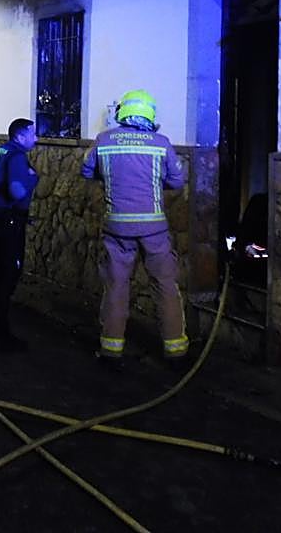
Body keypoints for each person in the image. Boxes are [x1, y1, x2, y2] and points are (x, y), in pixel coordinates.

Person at [81, 90, 188, 368]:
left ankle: (111, 349)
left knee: (116, 285)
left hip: (117, 227)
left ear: (122, 113)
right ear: (150, 114)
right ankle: (175, 349)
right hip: (154, 229)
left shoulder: (104, 140)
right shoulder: (161, 143)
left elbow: (86, 171)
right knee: (165, 284)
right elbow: (177, 181)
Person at [0, 118, 39, 351]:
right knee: (7, 277)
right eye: (33, 134)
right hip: (9, 222)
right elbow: (17, 191)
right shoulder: (16, 157)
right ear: (21, 136)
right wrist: (32, 178)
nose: (36, 138)